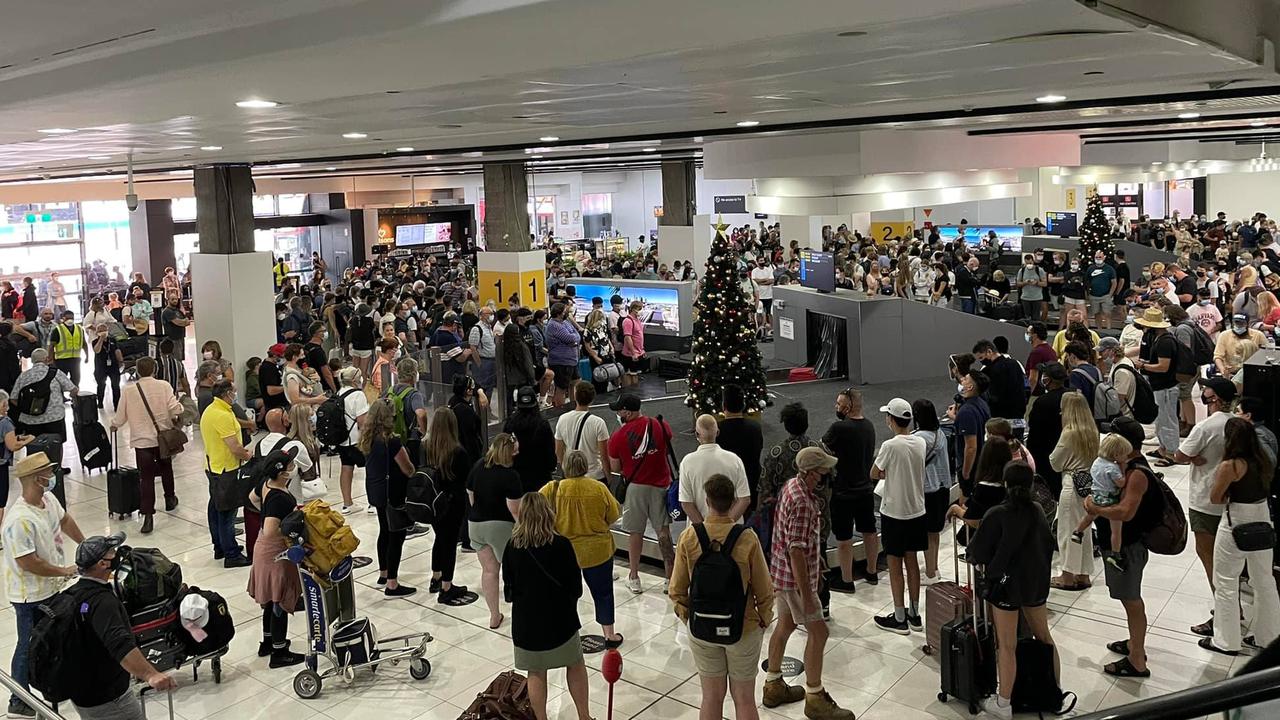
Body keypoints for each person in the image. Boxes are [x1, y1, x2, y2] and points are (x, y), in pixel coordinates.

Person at [670, 474, 774, 720]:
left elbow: (676, 590)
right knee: (745, 699)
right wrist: (763, 620)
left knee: (711, 696)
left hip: (702, 627)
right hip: (743, 627)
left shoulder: (690, 537)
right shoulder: (747, 538)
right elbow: (765, 589)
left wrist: (688, 618)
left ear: (707, 501)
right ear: (733, 502)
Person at [761, 446, 853, 719]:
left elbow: (793, 540)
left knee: (785, 625)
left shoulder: (790, 487)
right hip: (795, 581)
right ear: (813, 473)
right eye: (824, 470)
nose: (827, 474)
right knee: (820, 633)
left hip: (780, 575)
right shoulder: (803, 501)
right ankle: (815, 697)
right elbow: (796, 549)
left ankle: (773, 684)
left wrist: (817, 562)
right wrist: (807, 592)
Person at [966, 461, 1059, 720]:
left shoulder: (997, 513)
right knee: (1044, 638)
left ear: (1005, 484)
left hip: (1007, 588)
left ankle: (1004, 702)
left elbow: (977, 552)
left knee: (1006, 645)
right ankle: (1053, 692)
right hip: (1036, 584)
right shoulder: (1039, 510)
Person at [1, 452, 84, 718]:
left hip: (51, 588)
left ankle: (56, 684)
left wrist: (86, 547)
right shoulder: (18, 520)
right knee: (28, 645)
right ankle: (18, 699)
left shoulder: (47, 499)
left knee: (53, 640)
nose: (52, 476)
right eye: (48, 472)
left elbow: (65, 520)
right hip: (29, 595)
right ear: (37, 479)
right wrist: (63, 570)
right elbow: (29, 563)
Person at [63, 532, 178, 720]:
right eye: (112, 552)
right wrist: (151, 675)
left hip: (82, 693)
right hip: (109, 698)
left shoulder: (72, 595)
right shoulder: (103, 603)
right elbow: (120, 645)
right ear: (102, 564)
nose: (117, 554)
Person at [502, 492, 593, 720]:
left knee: (536, 673)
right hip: (561, 622)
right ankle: (584, 716)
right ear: (548, 514)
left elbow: (509, 589)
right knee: (575, 664)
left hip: (527, 625)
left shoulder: (512, 546)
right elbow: (576, 586)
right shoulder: (561, 545)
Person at [1086, 417, 1162, 679]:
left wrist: (1094, 508)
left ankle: (1137, 659)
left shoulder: (1137, 474)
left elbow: (1125, 512)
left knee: (1131, 600)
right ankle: (1133, 643)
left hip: (1128, 546)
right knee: (1127, 598)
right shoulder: (1122, 467)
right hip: (1121, 542)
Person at [1203, 418, 1280, 656]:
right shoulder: (1263, 460)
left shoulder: (1231, 466)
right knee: (1264, 580)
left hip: (1236, 519)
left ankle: (1226, 641)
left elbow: (1215, 498)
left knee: (1226, 581)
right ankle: (1268, 637)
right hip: (1262, 517)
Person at [542, 449, 624, 647]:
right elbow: (614, 515)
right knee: (603, 592)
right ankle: (609, 635)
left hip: (564, 552)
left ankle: (566, 632)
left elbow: (538, 514)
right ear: (585, 467)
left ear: (565, 466)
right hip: (597, 551)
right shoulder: (598, 488)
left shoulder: (551, 489)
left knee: (566, 594)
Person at [1176, 376, 1236, 637]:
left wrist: (1194, 457)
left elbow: (1180, 455)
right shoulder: (1238, 424)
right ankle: (1231, 607)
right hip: (1232, 499)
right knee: (1228, 560)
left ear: (1216, 399)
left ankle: (1224, 612)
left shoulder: (1206, 427)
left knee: (1210, 559)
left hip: (1205, 499)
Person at [607, 393, 676, 594]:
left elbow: (615, 466)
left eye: (619, 410)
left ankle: (634, 577)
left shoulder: (618, 437)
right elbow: (667, 446)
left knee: (635, 532)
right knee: (664, 532)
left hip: (635, 487)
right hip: (661, 485)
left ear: (627, 412)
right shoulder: (660, 425)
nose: (618, 413)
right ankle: (669, 578)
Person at [245, 447, 307, 667]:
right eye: (290, 465)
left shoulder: (266, 484)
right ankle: (280, 654)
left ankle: (268, 642)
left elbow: (252, 498)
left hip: (262, 549)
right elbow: (271, 529)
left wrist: (264, 513)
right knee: (279, 600)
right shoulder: (280, 498)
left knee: (271, 599)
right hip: (275, 553)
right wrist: (289, 527)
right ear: (282, 472)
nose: (293, 467)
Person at [871, 398, 928, 635]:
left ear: (891, 420)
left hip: (894, 513)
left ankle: (900, 616)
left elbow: (874, 472)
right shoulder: (921, 442)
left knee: (895, 565)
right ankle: (915, 614)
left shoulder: (889, 446)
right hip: (917, 510)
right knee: (912, 562)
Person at [111, 356, 183, 534]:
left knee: (146, 478)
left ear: (137, 370)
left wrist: (114, 425)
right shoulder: (164, 386)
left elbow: (121, 416)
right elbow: (175, 409)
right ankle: (169, 498)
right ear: (154, 370)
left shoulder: (129, 390)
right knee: (166, 467)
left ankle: (148, 516)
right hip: (162, 438)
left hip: (141, 441)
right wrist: (180, 410)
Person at [358, 399, 417, 597]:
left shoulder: (366, 438)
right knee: (396, 535)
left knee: (384, 530)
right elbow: (407, 468)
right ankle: (392, 583)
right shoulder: (391, 441)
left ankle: (383, 573)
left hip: (376, 490)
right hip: (393, 492)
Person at [822, 388, 878, 592]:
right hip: (865, 489)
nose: (836, 407)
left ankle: (846, 580)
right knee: (869, 531)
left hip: (843, 492)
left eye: (839, 404)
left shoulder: (839, 428)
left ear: (848, 406)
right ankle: (872, 572)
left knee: (843, 537)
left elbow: (821, 448)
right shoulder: (870, 426)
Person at [1046, 390, 1100, 591]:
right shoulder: (1092, 430)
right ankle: (1083, 574)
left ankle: (1067, 576)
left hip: (1070, 484)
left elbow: (1055, 462)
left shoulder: (1069, 432)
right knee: (1083, 531)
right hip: (1088, 485)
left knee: (1067, 531)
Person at [469, 433, 524, 629]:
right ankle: (521, 613)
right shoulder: (511, 476)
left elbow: (470, 494)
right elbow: (515, 510)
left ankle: (494, 616)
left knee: (489, 571)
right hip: (500, 526)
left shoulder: (478, 466)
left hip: (476, 524)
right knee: (515, 572)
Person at [200, 380, 251, 568]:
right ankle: (231, 553)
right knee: (227, 512)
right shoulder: (222, 415)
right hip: (225, 469)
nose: (236, 395)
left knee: (215, 508)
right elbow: (234, 447)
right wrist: (247, 455)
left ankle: (219, 547)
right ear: (227, 393)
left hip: (212, 465)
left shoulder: (211, 410)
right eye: (234, 392)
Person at [757, 403, 815, 562]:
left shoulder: (776, 453)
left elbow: (764, 489)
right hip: (815, 523)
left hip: (783, 524)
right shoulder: (817, 450)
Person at [425, 407, 471, 603]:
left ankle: (436, 576)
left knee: (439, 539)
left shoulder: (425, 447)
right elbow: (465, 480)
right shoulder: (458, 451)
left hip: (432, 503)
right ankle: (447, 586)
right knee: (449, 543)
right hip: (453, 505)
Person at [1073, 433, 1134, 572]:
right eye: (1125, 455)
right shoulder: (1112, 468)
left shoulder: (1097, 461)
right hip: (1109, 500)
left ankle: (1078, 531)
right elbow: (1121, 483)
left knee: (1089, 516)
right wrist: (1123, 469)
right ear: (1116, 454)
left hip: (1096, 496)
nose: (1126, 457)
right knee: (1116, 531)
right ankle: (1115, 554)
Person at [678, 414, 751, 522]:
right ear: (717, 433)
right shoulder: (734, 460)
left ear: (696, 434)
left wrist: (704, 530)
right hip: (733, 533)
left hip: (700, 534)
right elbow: (744, 499)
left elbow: (686, 503)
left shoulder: (687, 462)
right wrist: (727, 525)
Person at [1133, 307, 1182, 464]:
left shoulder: (1165, 342)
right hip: (1159, 386)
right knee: (1160, 419)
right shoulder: (1157, 338)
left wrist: (1143, 366)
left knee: (1168, 420)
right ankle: (1163, 448)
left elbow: (1163, 366)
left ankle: (1171, 453)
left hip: (1166, 386)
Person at [914, 399, 953, 583]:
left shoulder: (920, 438)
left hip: (928, 489)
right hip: (943, 487)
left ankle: (930, 573)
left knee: (927, 533)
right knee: (935, 532)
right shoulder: (940, 434)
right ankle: (933, 568)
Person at [716, 384, 764, 515]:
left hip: (727, 487)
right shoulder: (755, 427)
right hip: (752, 482)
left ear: (724, 406)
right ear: (743, 405)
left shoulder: (718, 431)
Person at [11, 348, 78, 440]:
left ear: (32, 360)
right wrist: (71, 396)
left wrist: (26, 407)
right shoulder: (56, 373)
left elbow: (13, 398)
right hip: (54, 418)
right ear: (47, 359)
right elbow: (74, 390)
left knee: (34, 446)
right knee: (56, 446)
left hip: (30, 421)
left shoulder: (23, 376)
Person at [504, 386, 557, 493]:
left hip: (517, 478)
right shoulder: (542, 424)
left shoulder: (510, 423)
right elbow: (550, 452)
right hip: (540, 479)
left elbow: (504, 449)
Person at [553, 381, 611, 480]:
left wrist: (566, 469)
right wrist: (608, 477)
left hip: (572, 474)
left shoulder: (563, 419)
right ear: (592, 400)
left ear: (575, 397)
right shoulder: (598, 423)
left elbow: (558, 451)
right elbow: (604, 455)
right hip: (595, 476)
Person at [949, 369, 991, 497]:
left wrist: (965, 473)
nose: (962, 380)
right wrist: (956, 419)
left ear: (970, 386)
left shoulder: (967, 411)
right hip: (981, 462)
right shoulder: (982, 404)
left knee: (966, 503)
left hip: (971, 466)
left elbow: (971, 447)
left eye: (965, 379)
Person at [334, 366, 369, 514]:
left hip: (342, 439)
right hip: (356, 439)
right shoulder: (358, 395)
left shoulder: (339, 393)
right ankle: (372, 503)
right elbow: (362, 421)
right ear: (355, 380)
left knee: (346, 468)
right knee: (370, 469)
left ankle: (347, 504)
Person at [973, 340, 1026, 420]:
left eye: (981, 357)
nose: (981, 361)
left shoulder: (989, 371)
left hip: (1000, 417)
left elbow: (992, 396)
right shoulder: (1015, 364)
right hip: (1018, 415)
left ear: (989, 351)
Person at [543, 302, 581, 408]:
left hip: (572, 360)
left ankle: (574, 405)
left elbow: (576, 335)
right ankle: (560, 409)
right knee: (561, 387)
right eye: (565, 312)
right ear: (559, 313)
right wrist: (574, 340)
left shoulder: (565, 322)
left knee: (575, 382)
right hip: (561, 362)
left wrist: (574, 340)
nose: (567, 314)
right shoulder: (553, 325)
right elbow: (571, 338)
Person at [1214, 313, 1266, 379]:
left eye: (1241, 324)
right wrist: (1223, 371)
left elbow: (1266, 354)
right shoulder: (1224, 335)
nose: (1238, 326)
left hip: (1252, 371)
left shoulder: (1258, 335)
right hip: (1231, 371)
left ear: (1247, 324)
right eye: (1236, 323)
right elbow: (1217, 356)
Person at [50, 310, 88, 386]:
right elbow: (51, 346)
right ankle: (61, 397)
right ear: (63, 319)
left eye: (72, 318)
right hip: (61, 360)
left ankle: (75, 397)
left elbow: (84, 343)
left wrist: (87, 356)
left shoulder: (80, 329)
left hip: (75, 359)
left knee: (76, 380)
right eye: (67, 318)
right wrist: (51, 359)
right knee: (60, 382)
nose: (70, 320)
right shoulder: (57, 330)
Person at [91, 322, 123, 409]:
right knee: (101, 385)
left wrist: (121, 361)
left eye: (104, 330)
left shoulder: (112, 340)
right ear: (97, 332)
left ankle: (117, 405)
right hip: (101, 367)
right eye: (100, 331)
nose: (103, 332)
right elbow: (97, 350)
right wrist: (101, 339)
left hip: (113, 366)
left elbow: (117, 350)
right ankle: (100, 402)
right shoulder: (95, 341)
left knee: (116, 386)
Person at [1087, 250, 1119, 329]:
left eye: (1100, 257)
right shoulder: (1090, 268)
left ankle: (1109, 330)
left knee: (1107, 313)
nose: (1098, 259)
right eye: (1096, 257)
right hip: (1093, 296)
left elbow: (1114, 282)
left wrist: (1110, 294)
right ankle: (1099, 329)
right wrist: (1087, 294)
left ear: (1104, 257)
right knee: (1096, 313)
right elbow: (1086, 282)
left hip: (1106, 295)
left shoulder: (1109, 269)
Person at [1025, 322, 1057, 397]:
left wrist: (1027, 396)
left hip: (1037, 393)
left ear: (1035, 335)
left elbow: (1033, 379)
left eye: (1028, 333)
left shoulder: (1037, 352)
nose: (1027, 335)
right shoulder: (1050, 350)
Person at [620, 300, 646, 387]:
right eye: (640, 309)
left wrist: (642, 350)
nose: (641, 311)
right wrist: (633, 353)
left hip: (639, 352)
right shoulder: (628, 321)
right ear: (634, 309)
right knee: (631, 374)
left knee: (636, 375)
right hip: (630, 354)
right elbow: (628, 337)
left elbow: (639, 336)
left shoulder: (637, 320)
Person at [159, 296, 190, 361]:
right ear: (168, 300)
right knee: (176, 358)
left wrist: (183, 322)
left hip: (180, 337)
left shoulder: (178, 311)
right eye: (172, 299)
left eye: (176, 299)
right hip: (173, 338)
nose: (175, 301)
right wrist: (183, 322)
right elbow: (178, 322)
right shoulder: (167, 311)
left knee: (180, 357)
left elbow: (187, 321)